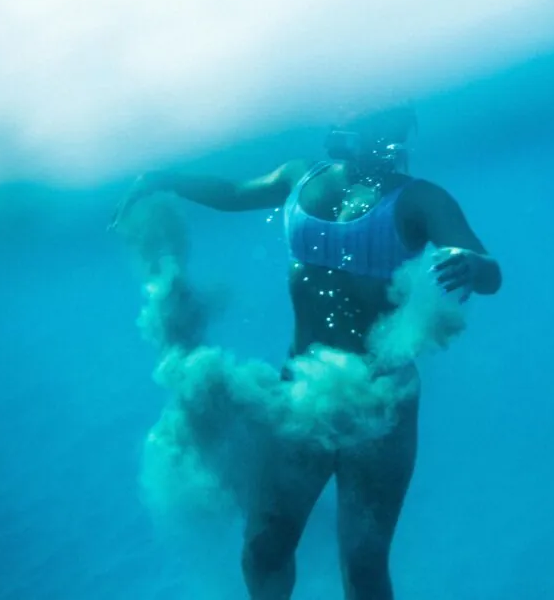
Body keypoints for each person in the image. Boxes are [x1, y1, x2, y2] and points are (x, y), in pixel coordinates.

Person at [113, 104, 502, 600]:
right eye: (371, 129)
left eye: (390, 132)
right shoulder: (301, 177)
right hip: (299, 394)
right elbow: (233, 194)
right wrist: (164, 178)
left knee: (363, 565)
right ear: (348, 128)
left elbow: (490, 269)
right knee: (264, 547)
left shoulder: (421, 201)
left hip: (382, 404)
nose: (381, 142)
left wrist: (472, 265)